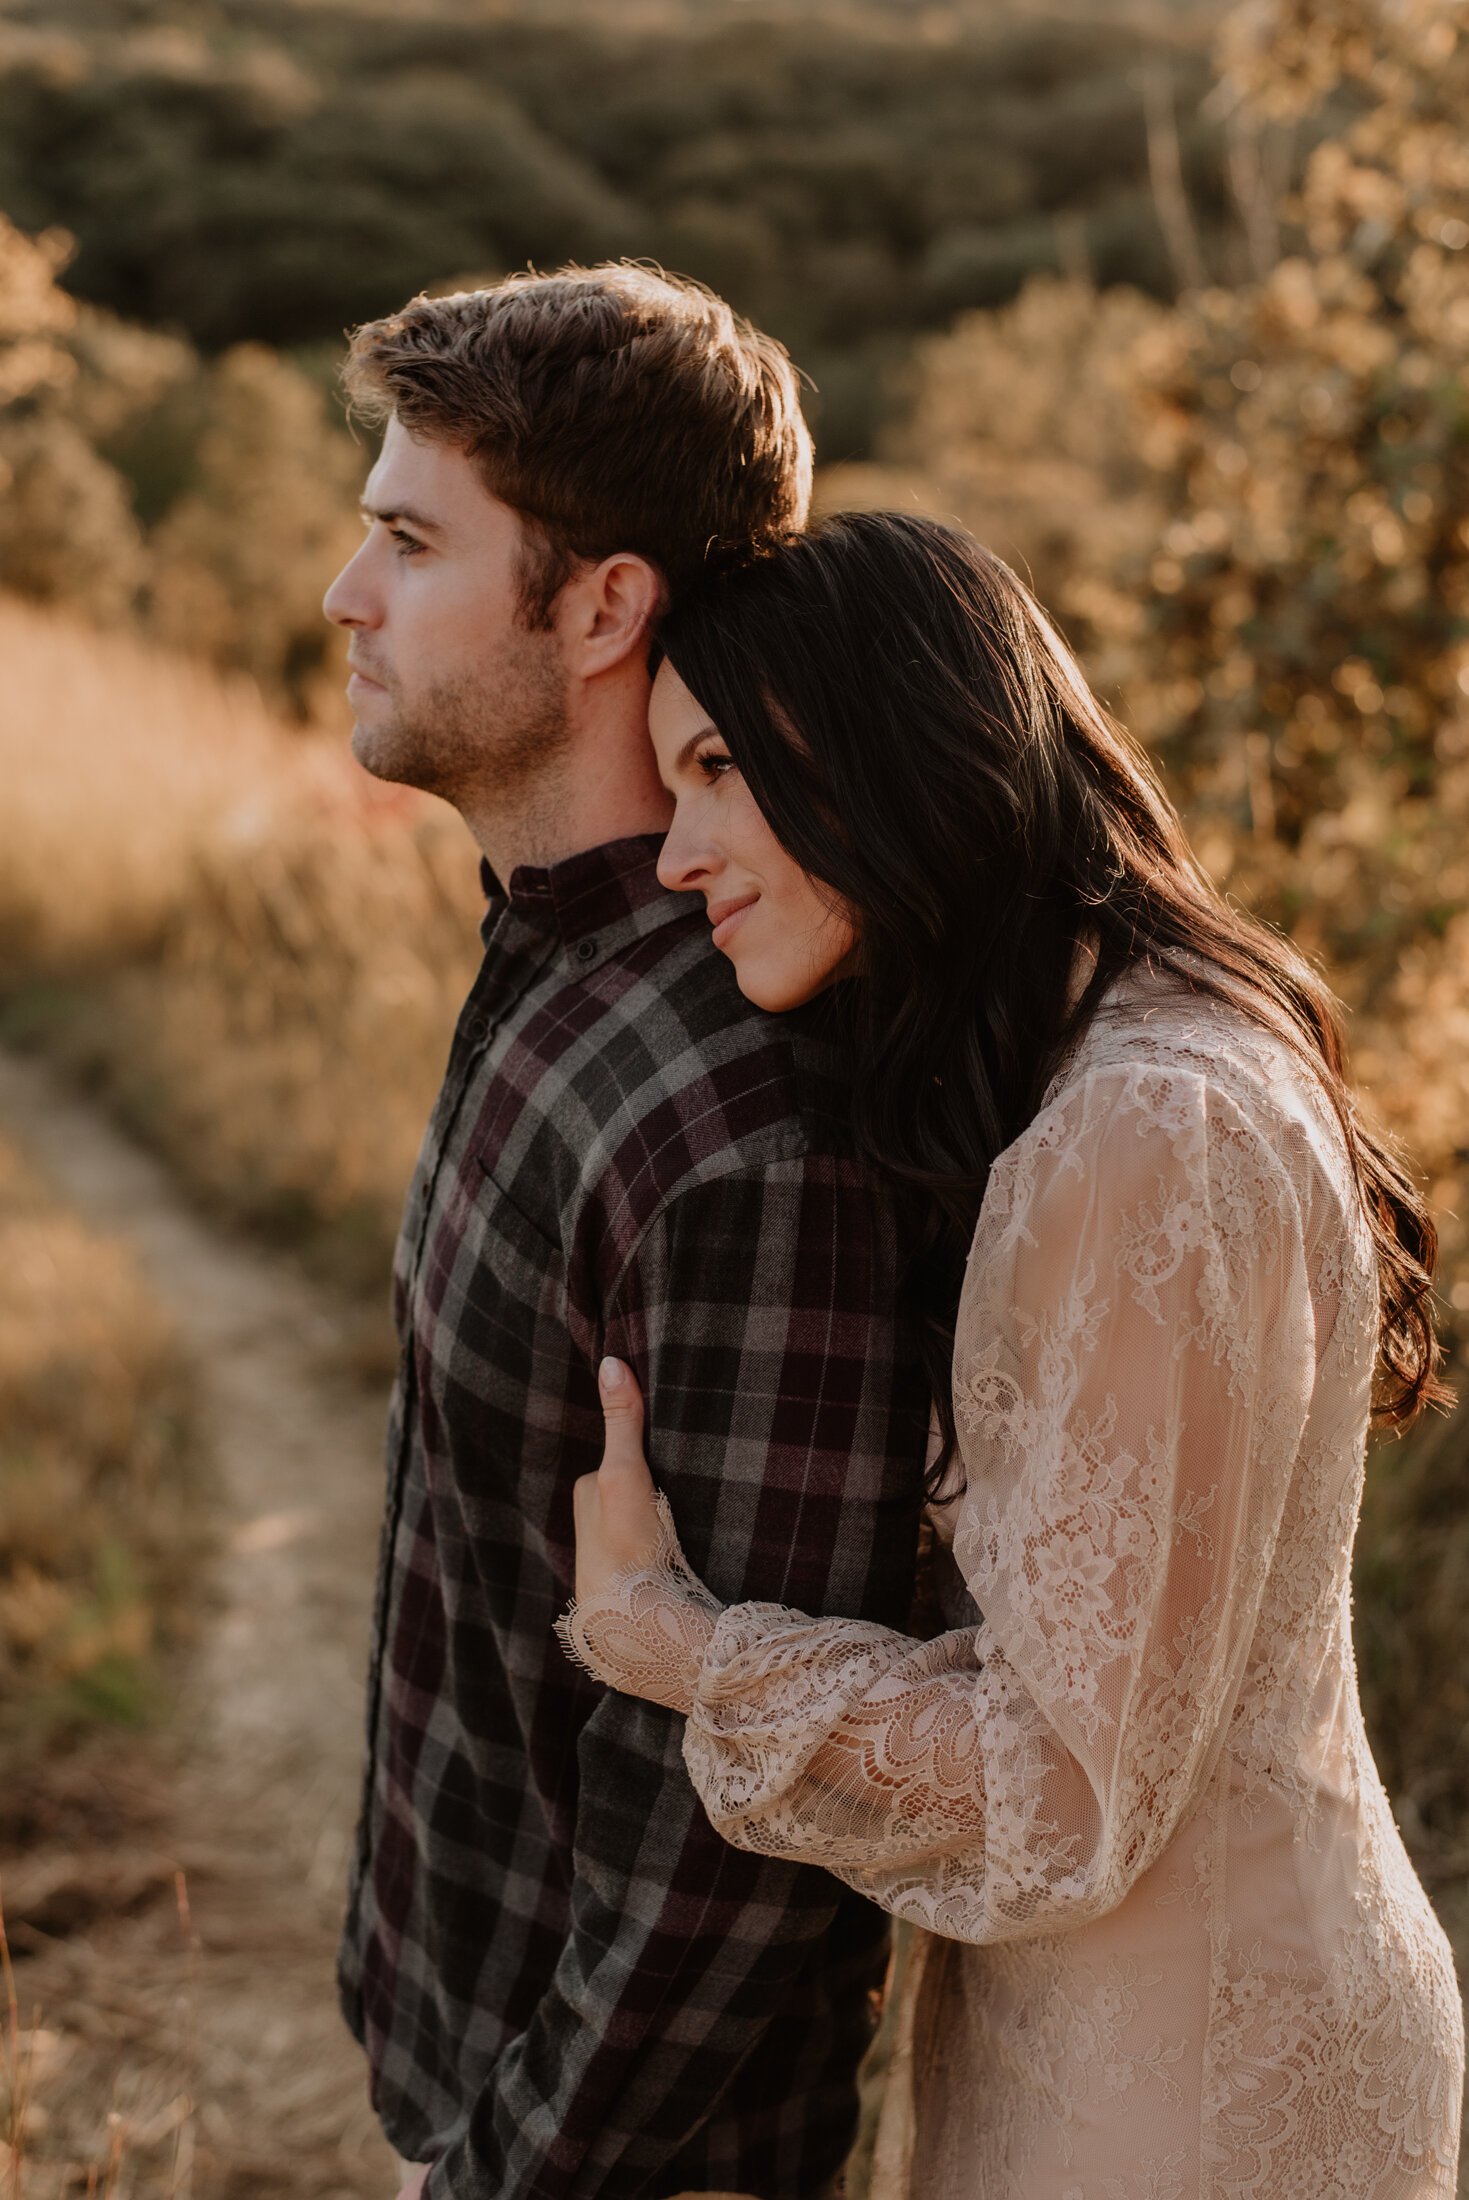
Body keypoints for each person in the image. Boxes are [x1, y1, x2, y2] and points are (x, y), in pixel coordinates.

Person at [564, 511, 1466, 2198]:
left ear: (885, 742)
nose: (676, 853)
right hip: (1133, 2022)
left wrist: (672, 1639)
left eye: (710, 770)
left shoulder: (1142, 1131)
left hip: (1190, 2084)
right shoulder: (1129, 1067)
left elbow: (1058, 1791)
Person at [322, 274, 932, 2200]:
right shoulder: (554, 959)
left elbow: (739, 1828)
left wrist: (507, 2168)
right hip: (467, 2050)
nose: (348, 593)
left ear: (602, 606)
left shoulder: (735, 1128)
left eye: (411, 541)